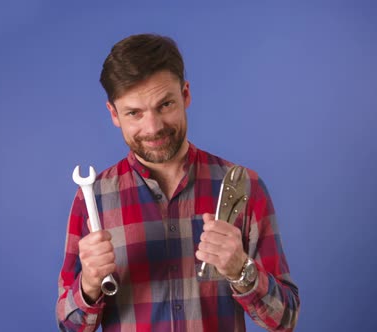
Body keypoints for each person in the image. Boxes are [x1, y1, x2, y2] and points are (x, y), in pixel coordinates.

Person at [56, 33, 300, 332]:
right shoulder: (92, 198)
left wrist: (241, 269)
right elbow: (69, 326)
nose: (153, 127)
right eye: (134, 113)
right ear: (114, 114)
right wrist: (89, 286)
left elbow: (285, 318)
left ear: (185, 95)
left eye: (165, 105)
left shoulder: (244, 187)